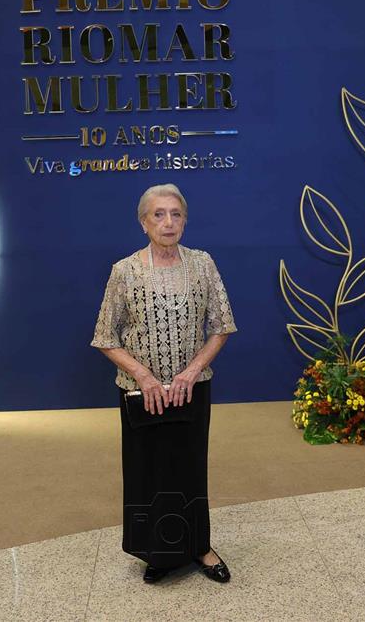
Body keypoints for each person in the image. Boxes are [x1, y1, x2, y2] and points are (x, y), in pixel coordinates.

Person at [92, 183, 236, 584]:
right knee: (148, 472)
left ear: (185, 221)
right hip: (143, 393)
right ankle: (158, 551)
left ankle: (200, 547)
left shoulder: (203, 264)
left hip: (192, 389)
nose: (168, 222)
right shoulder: (124, 271)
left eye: (175, 214)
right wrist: (144, 375)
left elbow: (221, 327)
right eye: (158, 214)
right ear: (143, 223)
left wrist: (191, 371)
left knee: (190, 468)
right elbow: (105, 337)